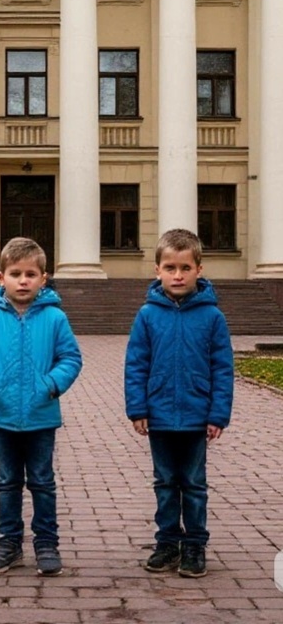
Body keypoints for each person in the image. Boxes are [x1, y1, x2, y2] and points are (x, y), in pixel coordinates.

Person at [0, 237, 82, 577]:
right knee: (8, 482)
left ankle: (47, 544)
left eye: (31, 274)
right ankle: (9, 544)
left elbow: (70, 358)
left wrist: (51, 384)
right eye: (16, 274)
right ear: (1, 278)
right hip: (2, 415)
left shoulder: (55, 318)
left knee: (42, 481)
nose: (23, 281)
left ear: (44, 278)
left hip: (42, 415)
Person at [124, 227, 234, 579]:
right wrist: (137, 408)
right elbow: (136, 364)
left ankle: (195, 545)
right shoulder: (147, 315)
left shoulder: (213, 317)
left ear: (199, 269)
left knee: (194, 484)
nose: (178, 275)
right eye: (170, 268)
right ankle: (168, 542)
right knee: (165, 482)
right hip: (158, 416)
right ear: (157, 270)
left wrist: (218, 414)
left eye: (185, 268)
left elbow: (223, 368)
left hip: (196, 416)